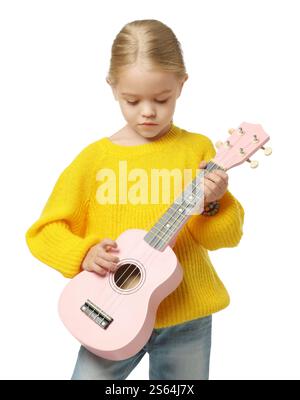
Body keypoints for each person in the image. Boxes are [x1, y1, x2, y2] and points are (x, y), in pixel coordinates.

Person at [25, 19, 244, 380]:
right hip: (109, 315)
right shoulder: (94, 160)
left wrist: (214, 203)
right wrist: (82, 254)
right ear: (113, 87)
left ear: (181, 85)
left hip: (186, 320)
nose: (147, 111)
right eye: (132, 100)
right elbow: (44, 231)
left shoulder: (198, 151)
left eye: (161, 99)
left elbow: (224, 237)